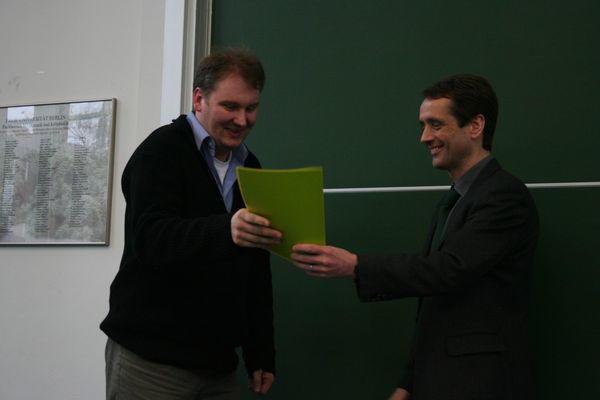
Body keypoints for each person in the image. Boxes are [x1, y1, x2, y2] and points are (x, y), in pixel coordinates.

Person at [245, 74, 539, 399]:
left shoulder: (503, 196)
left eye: (436, 125)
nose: (425, 137)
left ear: (475, 125)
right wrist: (408, 383)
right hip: (440, 379)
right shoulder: (454, 200)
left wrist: (355, 265)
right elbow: (435, 304)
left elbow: (449, 270)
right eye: (423, 126)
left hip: (480, 382)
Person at [100, 49, 282, 400]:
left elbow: (256, 269)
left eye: (251, 108)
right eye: (230, 106)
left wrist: (261, 352)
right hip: (150, 362)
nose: (242, 120)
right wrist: (226, 229)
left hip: (218, 364)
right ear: (199, 99)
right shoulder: (160, 151)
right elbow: (150, 239)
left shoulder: (251, 166)